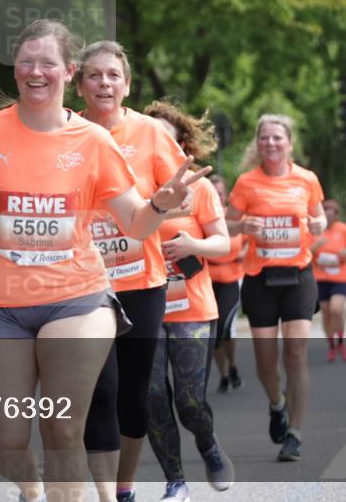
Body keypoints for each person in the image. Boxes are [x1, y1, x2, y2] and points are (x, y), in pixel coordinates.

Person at [0, 20, 206, 502]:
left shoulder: (93, 141)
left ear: (68, 71)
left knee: (62, 427)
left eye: (48, 62)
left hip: (76, 300)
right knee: (3, 442)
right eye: (27, 61)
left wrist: (160, 205)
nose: (36, 71)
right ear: (15, 67)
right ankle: (32, 490)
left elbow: (134, 223)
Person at [73, 42, 188, 502]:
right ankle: (105, 494)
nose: (104, 83)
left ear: (127, 84)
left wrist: (176, 199)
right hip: (82, 285)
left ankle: (124, 485)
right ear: (79, 84)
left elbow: (182, 192)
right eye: (95, 76)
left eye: (113, 76)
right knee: (100, 390)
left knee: (134, 396)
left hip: (142, 280)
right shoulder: (64, 129)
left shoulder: (150, 133)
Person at [143, 101, 234, 502]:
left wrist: (192, 243)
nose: (157, 142)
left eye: (165, 135)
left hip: (191, 304)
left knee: (190, 400)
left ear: (180, 142)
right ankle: (175, 480)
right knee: (152, 396)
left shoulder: (198, 186)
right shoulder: (127, 185)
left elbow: (222, 241)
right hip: (141, 304)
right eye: (150, 134)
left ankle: (208, 443)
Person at [224, 114, 326, 463]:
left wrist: (319, 222)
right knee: (267, 364)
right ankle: (277, 404)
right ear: (258, 144)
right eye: (265, 138)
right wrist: (242, 224)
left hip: (298, 276)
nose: (270, 143)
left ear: (289, 144)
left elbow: (319, 220)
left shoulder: (307, 179)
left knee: (295, 354)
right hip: (260, 280)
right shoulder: (246, 183)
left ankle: (295, 434)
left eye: (277, 138)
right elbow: (224, 222)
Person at [204, 174, 246, 393]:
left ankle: (233, 365)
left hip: (231, 277)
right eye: (213, 193)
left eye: (220, 193)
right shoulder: (200, 214)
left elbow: (252, 240)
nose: (217, 197)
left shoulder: (235, 216)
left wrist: (244, 255)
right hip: (207, 279)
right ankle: (224, 374)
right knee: (214, 333)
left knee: (224, 329)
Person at [311, 200, 346, 362]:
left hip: (339, 277)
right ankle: (331, 345)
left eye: (332, 213)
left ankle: (341, 342)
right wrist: (316, 247)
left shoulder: (343, 229)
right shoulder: (316, 231)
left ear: (336, 215)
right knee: (327, 313)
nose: (329, 215)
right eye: (326, 212)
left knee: (336, 310)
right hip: (321, 278)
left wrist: (344, 253)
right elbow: (307, 253)